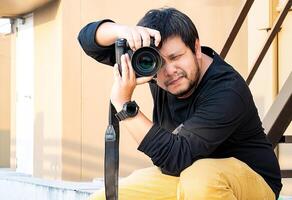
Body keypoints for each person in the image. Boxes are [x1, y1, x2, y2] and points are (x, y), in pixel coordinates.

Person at [78, 7, 282, 200]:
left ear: (196, 48)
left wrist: (126, 108)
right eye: (158, 62)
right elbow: (88, 40)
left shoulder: (227, 89)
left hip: (250, 183)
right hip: (185, 176)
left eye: (176, 57)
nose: (169, 71)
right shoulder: (153, 71)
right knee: (106, 196)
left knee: (200, 178)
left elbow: (176, 156)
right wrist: (122, 31)